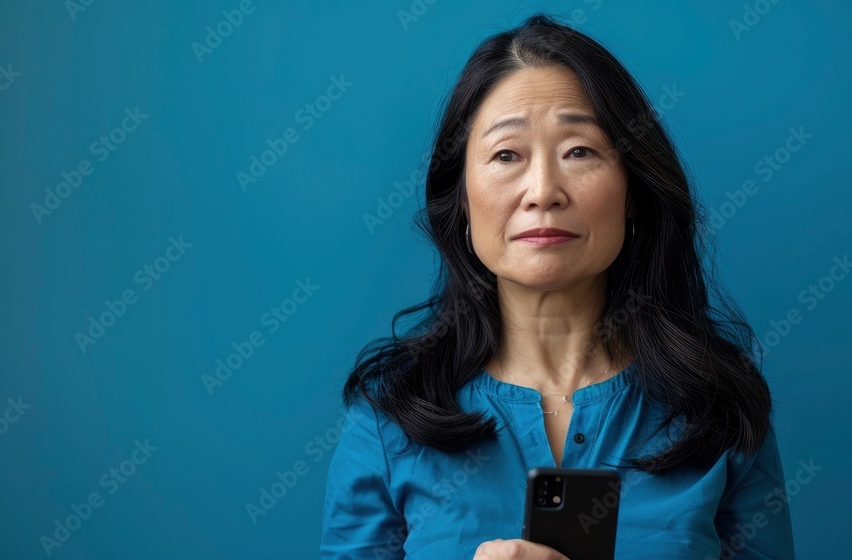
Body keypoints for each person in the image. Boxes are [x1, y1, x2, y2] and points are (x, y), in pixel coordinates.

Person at [319, 12, 796, 560]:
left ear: (633, 190)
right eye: (506, 155)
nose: (543, 190)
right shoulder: (388, 416)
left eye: (579, 151)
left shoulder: (718, 406)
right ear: (464, 202)